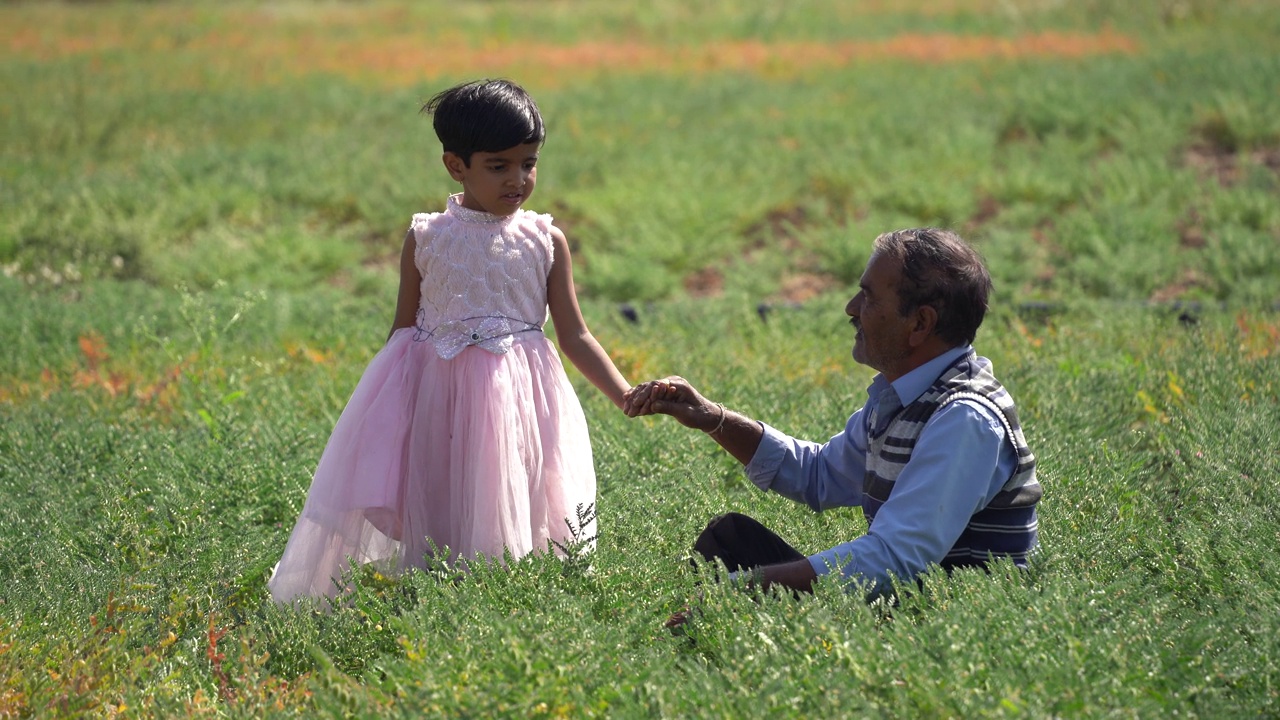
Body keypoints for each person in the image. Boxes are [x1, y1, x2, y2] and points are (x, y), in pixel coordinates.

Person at [269, 79, 631, 603]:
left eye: (529, 163)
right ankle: (440, 607)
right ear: (456, 166)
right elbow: (401, 334)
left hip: (523, 402)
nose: (519, 179)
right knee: (445, 506)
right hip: (442, 398)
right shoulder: (428, 237)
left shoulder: (544, 240)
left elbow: (574, 333)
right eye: (499, 165)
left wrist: (624, 394)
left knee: (516, 501)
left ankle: (513, 608)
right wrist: (387, 418)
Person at [623, 228, 1041, 608]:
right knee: (729, 540)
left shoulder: (964, 418)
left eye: (870, 296)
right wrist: (712, 418)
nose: (851, 308)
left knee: (739, 582)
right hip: (904, 608)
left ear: (920, 323)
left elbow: (892, 560)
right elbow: (819, 475)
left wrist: (740, 590)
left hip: (953, 634)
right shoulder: (903, 398)